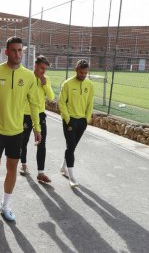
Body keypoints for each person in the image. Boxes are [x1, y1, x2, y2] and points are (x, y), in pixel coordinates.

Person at [0, 36, 41, 221]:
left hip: (16, 132)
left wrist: (37, 127)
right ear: (6, 52)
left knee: (12, 169)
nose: (17, 54)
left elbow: (34, 103)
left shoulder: (28, 76)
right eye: (13, 50)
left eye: (20, 50)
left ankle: (6, 206)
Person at [58, 59, 94, 187]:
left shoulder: (89, 85)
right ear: (76, 70)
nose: (83, 75)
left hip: (82, 121)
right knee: (71, 146)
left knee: (72, 147)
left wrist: (87, 118)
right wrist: (68, 120)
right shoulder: (67, 84)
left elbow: (90, 103)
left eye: (85, 73)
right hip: (70, 120)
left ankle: (63, 167)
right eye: (81, 73)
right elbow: (61, 103)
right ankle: (72, 177)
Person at [20, 55, 55, 183]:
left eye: (45, 69)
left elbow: (51, 97)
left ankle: (41, 173)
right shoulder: (27, 77)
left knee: (42, 144)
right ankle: (23, 165)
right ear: (35, 66)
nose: (43, 71)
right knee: (23, 142)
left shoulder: (46, 79)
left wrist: (45, 83)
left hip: (40, 115)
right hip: (25, 115)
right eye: (41, 68)